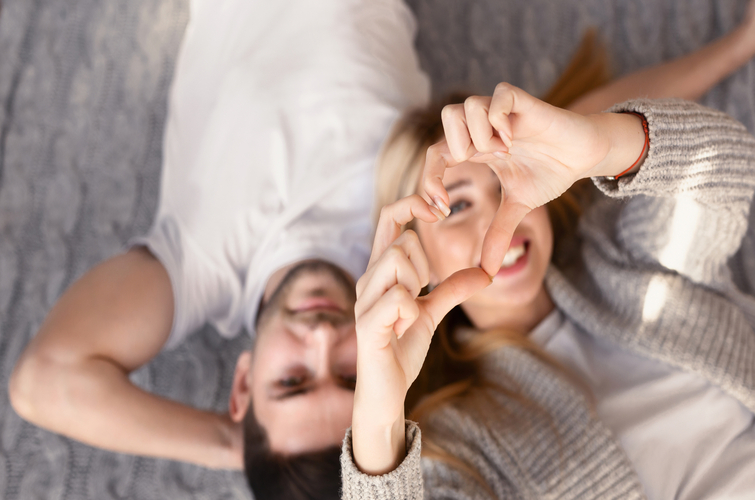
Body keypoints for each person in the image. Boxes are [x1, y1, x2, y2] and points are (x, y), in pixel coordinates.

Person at [7, 0, 429, 497]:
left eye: (291, 380)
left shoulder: (204, 268)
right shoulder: (409, 254)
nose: (319, 337)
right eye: (350, 374)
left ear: (243, 384)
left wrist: (233, 442)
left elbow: (42, 382)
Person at [342, 83, 755, 499]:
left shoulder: (618, 255)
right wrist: (377, 423)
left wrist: (599, 146)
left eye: (503, 184)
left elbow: (732, 167)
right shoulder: (461, 442)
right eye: (458, 206)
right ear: (416, 256)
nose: (495, 222)